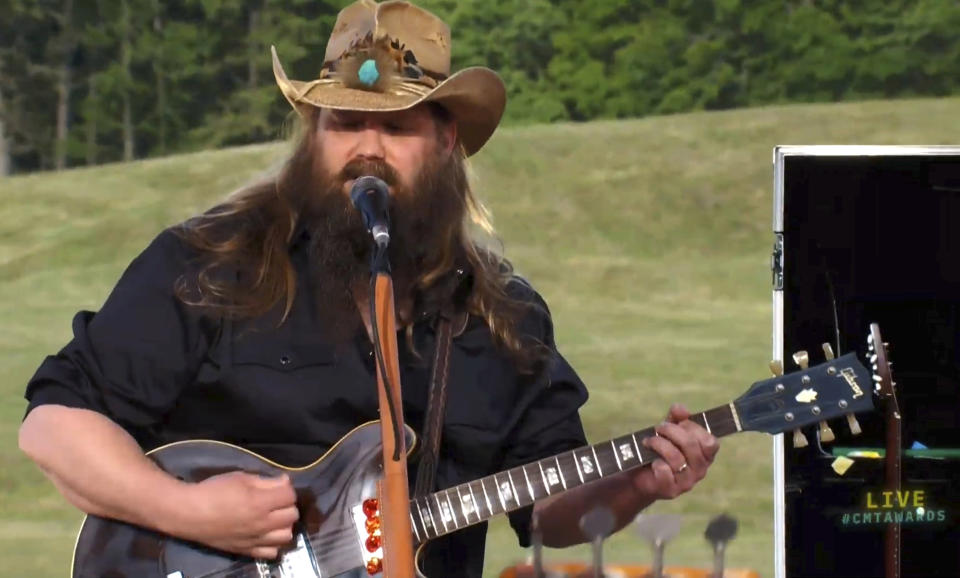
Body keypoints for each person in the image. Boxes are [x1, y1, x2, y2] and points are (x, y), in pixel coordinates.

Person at [18, 1, 719, 576]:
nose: (367, 148)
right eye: (345, 123)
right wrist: (190, 513)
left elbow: (550, 515)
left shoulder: (501, 318)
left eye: (396, 127)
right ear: (314, 134)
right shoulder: (216, 261)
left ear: (447, 142)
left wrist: (639, 481)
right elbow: (55, 426)